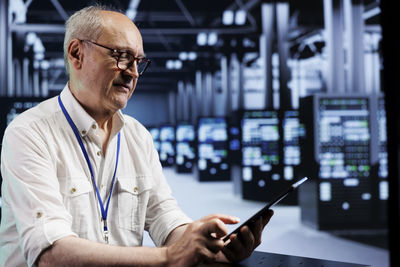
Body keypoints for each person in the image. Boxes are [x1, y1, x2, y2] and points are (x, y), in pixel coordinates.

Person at [0, 5, 273, 267]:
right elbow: (51, 254)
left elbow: (165, 218)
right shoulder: (30, 133)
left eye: (138, 61)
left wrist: (210, 247)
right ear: (76, 54)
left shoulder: (137, 137)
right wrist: (170, 258)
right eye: (120, 55)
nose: (132, 72)